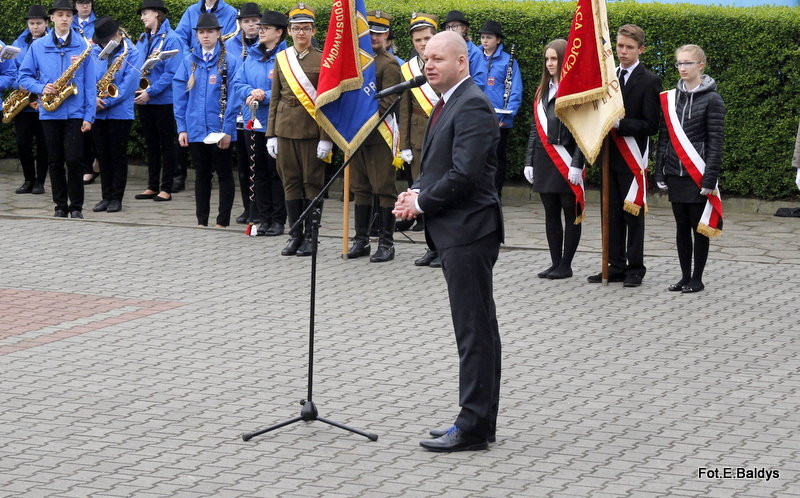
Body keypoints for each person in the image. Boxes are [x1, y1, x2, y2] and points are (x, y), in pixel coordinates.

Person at [394, 31, 503, 452]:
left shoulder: (472, 102)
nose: (429, 65)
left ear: (462, 62)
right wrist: (415, 190)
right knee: (476, 329)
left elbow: (466, 175)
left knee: (474, 332)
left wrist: (421, 203)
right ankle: (477, 419)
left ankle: (473, 427)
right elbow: (439, 163)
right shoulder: (447, 101)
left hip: (470, 230)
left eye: (438, 58)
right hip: (456, 229)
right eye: (425, 59)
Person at [587, 24, 661, 287]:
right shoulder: (609, 77)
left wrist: (620, 124)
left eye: (629, 47)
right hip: (610, 157)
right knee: (611, 214)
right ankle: (614, 264)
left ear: (640, 49)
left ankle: (635, 267)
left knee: (633, 214)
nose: (623, 51)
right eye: (619, 46)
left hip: (632, 159)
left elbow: (651, 125)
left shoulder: (649, 80)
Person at [654, 44, 725, 294]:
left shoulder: (713, 99)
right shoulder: (670, 98)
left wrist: (710, 178)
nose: (682, 68)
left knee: (699, 228)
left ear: (700, 66)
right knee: (681, 227)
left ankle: (698, 278)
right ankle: (684, 276)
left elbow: (716, 142)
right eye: (679, 63)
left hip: (698, 174)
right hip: (675, 172)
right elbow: (664, 138)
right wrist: (659, 169)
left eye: (688, 63)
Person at [18, 0, 96, 219]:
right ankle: (60, 205)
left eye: (68, 15)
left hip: (75, 112)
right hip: (50, 111)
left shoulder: (82, 45)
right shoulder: (38, 46)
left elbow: (90, 84)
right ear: (51, 18)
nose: (64, 19)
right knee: (54, 160)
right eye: (60, 15)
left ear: (72, 18)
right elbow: (23, 76)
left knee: (73, 159)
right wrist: (42, 88)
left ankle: (77, 207)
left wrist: (89, 115)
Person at [266, 4, 332, 257]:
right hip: (284, 129)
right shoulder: (282, 58)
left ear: (313, 31)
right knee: (290, 183)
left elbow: (327, 101)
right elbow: (274, 99)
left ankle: (312, 237)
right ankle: (295, 234)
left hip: (311, 131)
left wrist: (326, 138)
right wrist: (270, 134)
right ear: (289, 32)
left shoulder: (323, 58)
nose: (301, 33)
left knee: (312, 184)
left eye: (305, 28)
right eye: (296, 28)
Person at [523, 39, 585, 280]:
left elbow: (583, 131)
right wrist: (529, 160)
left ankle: (566, 265)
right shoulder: (542, 90)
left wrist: (578, 163)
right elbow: (534, 129)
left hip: (567, 159)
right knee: (550, 212)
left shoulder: (576, 91)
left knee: (570, 213)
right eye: (547, 59)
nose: (550, 63)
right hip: (544, 159)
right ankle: (555, 262)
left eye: (554, 59)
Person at [173, 12, 241, 227]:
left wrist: (227, 129)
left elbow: (235, 98)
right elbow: (180, 98)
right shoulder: (189, 61)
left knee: (223, 174)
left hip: (219, 128)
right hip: (195, 127)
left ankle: (222, 221)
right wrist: (182, 128)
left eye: (210, 31)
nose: (205, 36)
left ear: (218, 33)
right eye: (201, 32)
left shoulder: (230, 61)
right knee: (201, 174)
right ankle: (202, 221)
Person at [346, 11, 402, 263]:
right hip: (357, 136)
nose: (374, 38)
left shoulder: (388, 64)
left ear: (387, 35)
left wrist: (361, 121)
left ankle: (387, 243)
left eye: (379, 33)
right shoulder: (356, 63)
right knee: (360, 188)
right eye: (370, 33)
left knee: (384, 188)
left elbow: (389, 103)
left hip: (380, 136)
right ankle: (361, 240)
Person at [231, 9, 288, 236]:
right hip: (252, 122)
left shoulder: (285, 57)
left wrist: (264, 93)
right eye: (260, 27)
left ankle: (278, 219)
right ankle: (263, 217)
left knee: (276, 173)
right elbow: (238, 82)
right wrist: (249, 91)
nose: (260, 31)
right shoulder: (252, 55)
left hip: (275, 123)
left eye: (266, 28)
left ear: (279, 32)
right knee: (258, 173)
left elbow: (287, 88)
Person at [397, 13, 441, 262]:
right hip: (417, 138)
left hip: (440, 138)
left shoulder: (445, 64)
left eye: (427, 38)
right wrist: (403, 144)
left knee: (437, 195)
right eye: (418, 40)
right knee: (419, 193)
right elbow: (403, 108)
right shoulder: (408, 69)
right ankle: (431, 247)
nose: (423, 44)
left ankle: (441, 248)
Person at [134, 0, 184, 202]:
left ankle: (166, 188)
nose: (142, 17)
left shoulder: (172, 39)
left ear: (157, 14)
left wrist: (151, 91)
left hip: (163, 100)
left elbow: (172, 72)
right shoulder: (142, 38)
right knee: (151, 144)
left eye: (145, 13)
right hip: (145, 99)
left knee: (167, 144)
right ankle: (152, 185)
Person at [90, 16, 138, 213]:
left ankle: (116, 198)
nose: (102, 44)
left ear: (117, 35)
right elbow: (87, 77)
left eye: (105, 40)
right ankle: (105, 196)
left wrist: (106, 102)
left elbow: (128, 85)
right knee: (102, 155)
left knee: (117, 156)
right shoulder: (94, 50)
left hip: (119, 113)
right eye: (100, 41)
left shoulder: (132, 52)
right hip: (97, 111)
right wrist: (92, 99)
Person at [226, 2, 262, 225]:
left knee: (257, 163)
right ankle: (247, 207)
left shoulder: (267, 44)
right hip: (235, 109)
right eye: (246, 21)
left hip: (256, 110)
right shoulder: (229, 44)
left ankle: (259, 207)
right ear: (239, 24)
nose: (251, 25)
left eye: (255, 21)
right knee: (241, 164)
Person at [478, 20, 522, 198]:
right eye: (482, 37)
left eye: (489, 37)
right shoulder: (475, 57)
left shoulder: (508, 61)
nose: (485, 41)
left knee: (497, 157)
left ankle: (496, 192)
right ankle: (478, 191)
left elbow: (515, 90)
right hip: (478, 116)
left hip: (500, 119)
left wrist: (508, 114)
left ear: (498, 40)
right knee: (477, 156)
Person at [10, 5, 50, 196]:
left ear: (46, 23)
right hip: (23, 102)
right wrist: (20, 82)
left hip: (44, 100)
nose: (35, 27)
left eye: (39, 23)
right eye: (32, 23)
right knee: (22, 142)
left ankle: (40, 181)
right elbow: (12, 70)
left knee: (44, 143)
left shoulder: (52, 42)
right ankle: (28, 179)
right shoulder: (18, 42)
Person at [73, 0, 98, 185]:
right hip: (74, 81)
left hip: (95, 76)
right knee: (80, 131)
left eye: (87, 2)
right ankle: (86, 167)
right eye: (81, 3)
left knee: (92, 130)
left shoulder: (98, 24)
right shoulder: (68, 24)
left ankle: (94, 165)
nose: (85, 6)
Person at [441, 10, 486, 91]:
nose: (450, 30)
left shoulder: (474, 53)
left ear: (463, 28)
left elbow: (479, 83)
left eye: (454, 26)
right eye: (447, 27)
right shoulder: (443, 50)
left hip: (467, 99)